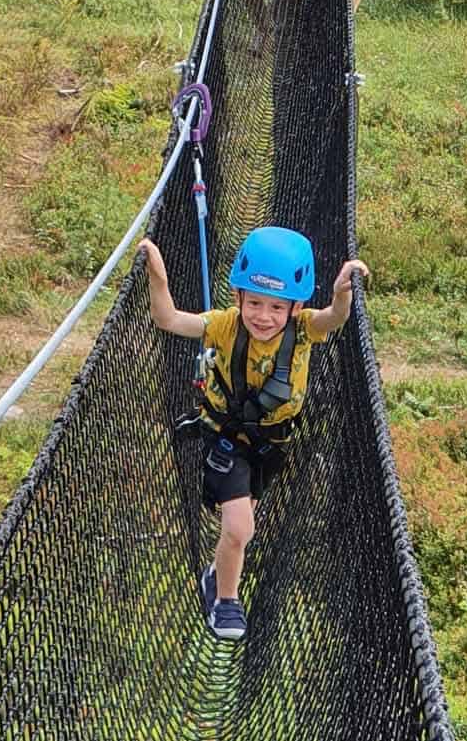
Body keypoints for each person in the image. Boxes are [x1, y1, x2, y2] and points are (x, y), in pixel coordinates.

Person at [141, 226, 370, 641]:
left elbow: (336, 318)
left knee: (241, 523)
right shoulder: (226, 326)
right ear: (239, 298)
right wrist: (158, 277)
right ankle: (226, 601)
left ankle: (217, 573)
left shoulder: (303, 330)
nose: (264, 316)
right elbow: (169, 319)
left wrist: (342, 291)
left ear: (295, 309)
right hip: (225, 438)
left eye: (277, 307)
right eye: (255, 303)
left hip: (273, 443)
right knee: (241, 529)